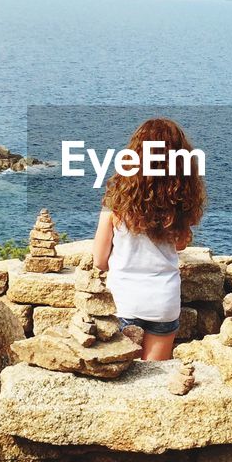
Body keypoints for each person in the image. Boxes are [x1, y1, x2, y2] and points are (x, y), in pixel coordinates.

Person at [93, 117, 206, 361]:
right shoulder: (180, 202)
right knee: (154, 385)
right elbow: (180, 244)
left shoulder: (117, 202)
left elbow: (100, 260)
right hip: (163, 302)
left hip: (123, 302)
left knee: (123, 383)